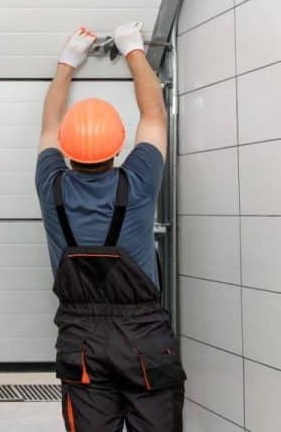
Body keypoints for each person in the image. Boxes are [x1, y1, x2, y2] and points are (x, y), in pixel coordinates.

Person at [36, 23, 186, 432]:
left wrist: (67, 61)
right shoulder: (136, 182)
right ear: (118, 146)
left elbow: (49, 124)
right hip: (143, 338)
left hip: (81, 340)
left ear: (66, 148)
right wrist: (133, 48)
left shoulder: (51, 187)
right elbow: (154, 113)